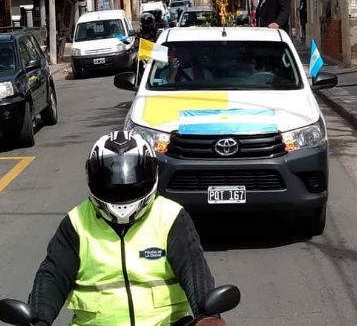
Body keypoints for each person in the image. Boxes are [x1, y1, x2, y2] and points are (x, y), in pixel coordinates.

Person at [26, 131, 225, 326]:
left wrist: (206, 315)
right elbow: (52, 276)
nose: (122, 188)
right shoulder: (76, 222)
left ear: (152, 174)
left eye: (134, 182)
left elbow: (194, 269)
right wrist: (38, 318)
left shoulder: (171, 217)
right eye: (111, 184)